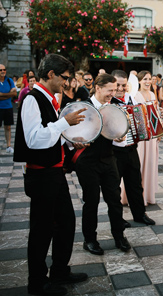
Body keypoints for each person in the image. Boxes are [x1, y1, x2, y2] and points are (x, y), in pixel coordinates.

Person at [15, 54, 89, 296]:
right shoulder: (31, 99)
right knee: (41, 230)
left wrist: (70, 142)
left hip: (55, 172)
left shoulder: (50, 99)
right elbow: (34, 139)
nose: (67, 84)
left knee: (66, 223)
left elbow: (51, 135)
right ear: (50, 75)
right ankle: (37, 283)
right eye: (64, 78)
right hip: (41, 175)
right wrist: (63, 123)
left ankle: (59, 271)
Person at [76, 73, 132, 258]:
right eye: (110, 90)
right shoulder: (84, 107)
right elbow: (73, 134)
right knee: (91, 202)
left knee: (114, 201)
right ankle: (90, 239)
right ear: (98, 88)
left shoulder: (114, 108)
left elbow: (118, 139)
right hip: (88, 162)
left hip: (109, 160)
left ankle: (119, 236)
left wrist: (120, 136)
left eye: (115, 90)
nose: (113, 94)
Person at [110, 70, 155, 227]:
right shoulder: (108, 102)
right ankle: (118, 219)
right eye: (118, 85)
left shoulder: (131, 99)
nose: (121, 89)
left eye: (124, 85)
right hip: (114, 151)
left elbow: (142, 116)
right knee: (115, 187)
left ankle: (139, 214)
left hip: (131, 147)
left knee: (135, 183)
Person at [132, 71, 161, 206]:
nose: (148, 81)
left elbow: (155, 113)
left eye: (150, 79)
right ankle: (137, 197)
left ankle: (148, 195)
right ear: (139, 81)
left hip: (152, 135)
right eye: (145, 79)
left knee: (150, 162)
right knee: (140, 163)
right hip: (141, 136)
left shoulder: (152, 94)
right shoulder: (135, 95)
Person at [0, 64, 17, 153]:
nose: (3, 71)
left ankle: (8, 146)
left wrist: (2, 95)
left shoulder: (9, 80)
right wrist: (9, 95)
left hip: (8, 107)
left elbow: (14, 94)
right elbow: (11, 94)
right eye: (1, 70)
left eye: (4, 69)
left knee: (8, 127)